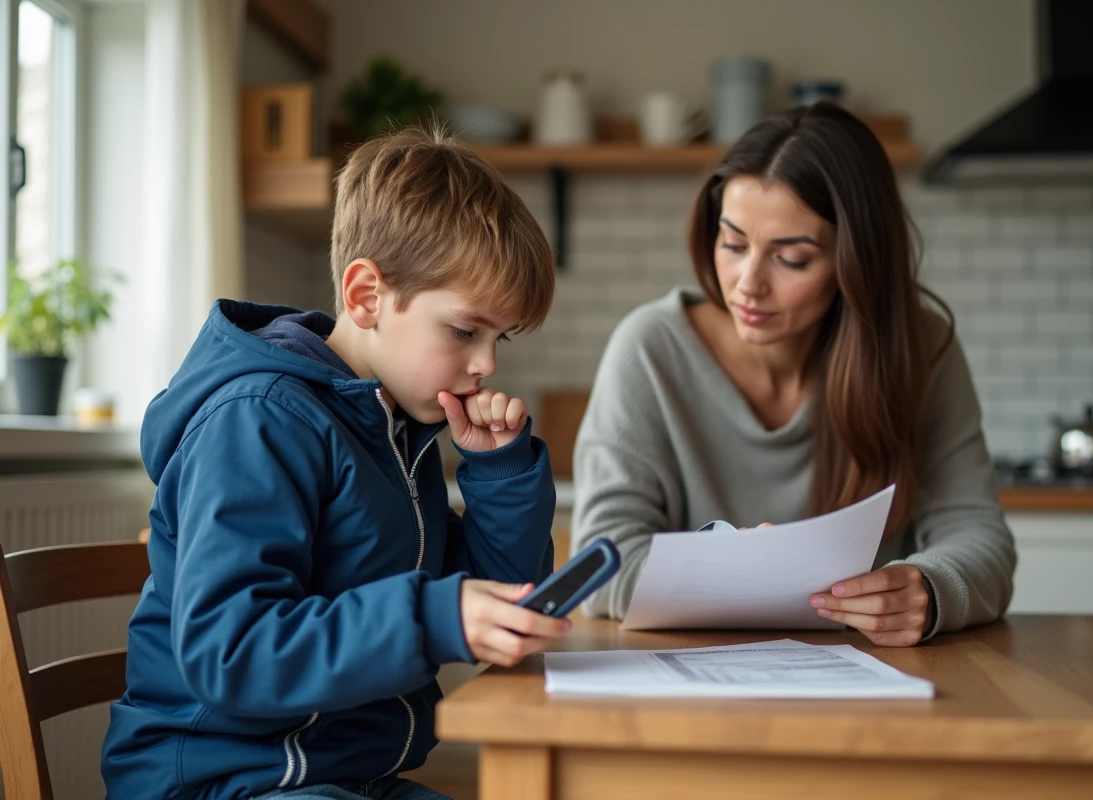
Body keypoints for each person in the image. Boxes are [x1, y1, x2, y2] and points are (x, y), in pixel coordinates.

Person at [102, 128, 571, 800]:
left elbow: (497, 599)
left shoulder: (395, 428)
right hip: (227, 781)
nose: (487, 364)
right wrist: (430, 618)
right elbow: (229, 651)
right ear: (366, 295)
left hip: (342, 777)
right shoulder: (260, 420)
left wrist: (499, 475)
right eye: (467, 330)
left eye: (500, 339)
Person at [572, 103, 1016, 647]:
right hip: (691, 683)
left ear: (855, 262)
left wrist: (930, 588)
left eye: (793, 259)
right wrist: (740, 570)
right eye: (733, 244)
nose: (747, 284)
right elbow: (598, 566)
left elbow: (979, 538)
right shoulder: (650, 350)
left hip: (874, 688)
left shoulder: (920, 349)